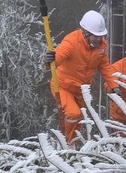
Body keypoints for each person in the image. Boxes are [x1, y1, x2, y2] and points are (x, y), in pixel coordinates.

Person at [44, 10, 120, 144]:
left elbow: (104, 67)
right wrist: (51, 60)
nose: (98, 39)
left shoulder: (101, 47)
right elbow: (60, 54)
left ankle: (72, 146)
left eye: (101, 36)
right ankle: (66, 144)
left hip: (81, 90)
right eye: (95, 36)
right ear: (85, 32)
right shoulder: (72, 41)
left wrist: (114, 85)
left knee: (78, 121)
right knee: (73, 113)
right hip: (63, 86)